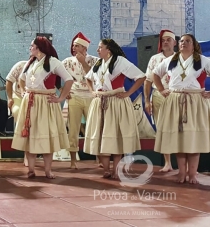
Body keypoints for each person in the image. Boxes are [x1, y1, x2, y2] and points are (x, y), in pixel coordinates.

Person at [83, 39, 145, 179]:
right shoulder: (98, 64)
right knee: (100, 135)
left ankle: (116, 169)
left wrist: (128, 93)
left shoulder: (120, 61)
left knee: (116, 136)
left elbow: (141, 77)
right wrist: (92, 91)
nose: (98, 50)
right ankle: (106, 169)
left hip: (116, 102)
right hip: (100, 102)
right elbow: (87, 78)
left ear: (109, 49)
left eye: (100, 47)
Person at [153, 34, 210, 184]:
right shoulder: (170, 60)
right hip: (175, 101)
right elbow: (155, 74)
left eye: (188, 41)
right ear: (178, 44)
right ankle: (181, 172)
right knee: (179, 139)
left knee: (193, 139)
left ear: (194, 44)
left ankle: (192, 174)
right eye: (182, 41)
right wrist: (161, 89)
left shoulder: (203, 60)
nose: (184, 43)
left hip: (195, 101)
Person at [13, 36, 73, 179]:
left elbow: (69, 80)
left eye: (32, 46)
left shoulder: (53, 62)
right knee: (30, 135)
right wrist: (23, 91)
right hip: (31, 102)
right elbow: (21, 79)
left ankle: (48, 170)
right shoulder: (30, 62)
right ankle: (31, 170)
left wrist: (60, 97)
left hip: (46, 102)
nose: (30, 48)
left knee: (47, 136)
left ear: (39, 48)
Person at [61, 32, 98, 169]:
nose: (74, 47)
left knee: (94, 127)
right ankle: (72, 161)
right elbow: (56, 77)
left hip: (90, 97)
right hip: (74, 96)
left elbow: (93, 77)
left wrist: (83, 62)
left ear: (84, 48)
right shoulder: (67, 62)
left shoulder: (94, 61)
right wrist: (63, 92)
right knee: (73, 129)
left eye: (77, 46)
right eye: (73, 45)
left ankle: (98, 158)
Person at [144, 29, 176, 173]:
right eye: (163, 40)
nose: (165, 42)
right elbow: (148, 81)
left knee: (180, 128)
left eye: (168, 39)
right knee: (162, 129)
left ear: (174, 43)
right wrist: (146, 101)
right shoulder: (154, 59)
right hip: (159, 96)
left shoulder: (181, 58)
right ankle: (167, 162)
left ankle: (184, 163)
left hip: (176, 97)